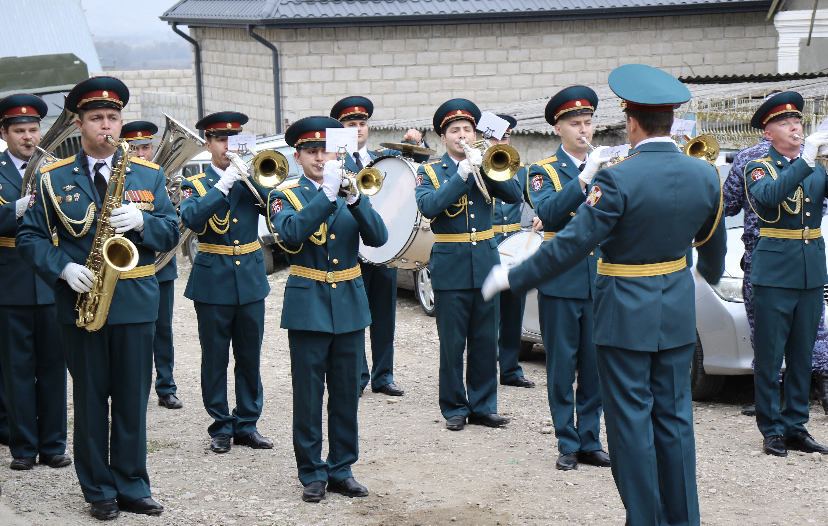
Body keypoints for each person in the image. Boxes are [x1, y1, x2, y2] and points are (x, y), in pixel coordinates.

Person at [482, 64, 727, 526]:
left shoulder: (617, 179)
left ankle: (645, 519)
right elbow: (712, 251)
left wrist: (515, 278)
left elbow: (571, 245)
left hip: (623, 314)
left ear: (631, 121)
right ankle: (684, 519)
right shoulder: (704, 175)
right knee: (675, 421)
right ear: (671, 121)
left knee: (631, 423)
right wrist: (704, 277)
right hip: (675, 310)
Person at [17, 76, 178, 520]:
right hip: (80, 302)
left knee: (131, 398)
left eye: (112, 117)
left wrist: (144, 222)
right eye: (96, 118)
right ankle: (98, 490)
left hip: (134, 302)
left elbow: (171, 232)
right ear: (79, 124)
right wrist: (62, 268)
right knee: (89, 400)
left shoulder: (148, 175)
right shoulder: (51, 178)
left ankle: (132, 484)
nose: (106, 125)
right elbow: (30, 238)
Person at [269, 116, 388, 502]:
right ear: (298, 156)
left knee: (345, 392)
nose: (321, 157)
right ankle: (311, 472)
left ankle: (341, 468)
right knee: (308, 393)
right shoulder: (284, 194)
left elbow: (379, 237)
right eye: (312, 151)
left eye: (327, 150)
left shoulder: (352, 186)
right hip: (309, 303)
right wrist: (327, 196)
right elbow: (289, 235)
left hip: (350, 302)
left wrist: (354, 199)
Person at [415, 99, 522, 431]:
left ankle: (483, 405)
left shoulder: (485, 163)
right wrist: (461, 175)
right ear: (443, 137)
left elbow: (514, 195)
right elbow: (429, 207)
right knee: (452, 342)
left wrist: (487, 164)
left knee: (485, 339)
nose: (462, 135)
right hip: (451, 265)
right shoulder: (430, 171)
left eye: (467, 130)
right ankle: (454, 407)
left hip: (486, 262)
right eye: (454, 131)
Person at [525, 88, 609, 471]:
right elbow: (550, 214)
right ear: (558, 128)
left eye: (588, 123)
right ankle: (566, 440)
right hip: (560, 279)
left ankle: (590, 439)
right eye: (575, 124)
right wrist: (582, 180)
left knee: (594, 365)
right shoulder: (542, 171)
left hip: (598, 278)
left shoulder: (609, 166)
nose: (584, 130)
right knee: (561, 365)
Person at [179, 112, 273, 454]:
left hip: (249, 277)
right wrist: (223, 184)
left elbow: (273, 207)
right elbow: (190, 217)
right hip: (213, 279)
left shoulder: (250, 179)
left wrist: (250, 179)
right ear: (208, 144)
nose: (227, 146)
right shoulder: (196, 184)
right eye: (220, 140)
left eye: (233, 141)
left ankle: (247, 423)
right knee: (215, 356)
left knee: (249, 356)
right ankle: (220, 425)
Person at [743, 91, 828, 457]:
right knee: (770, 354)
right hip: (775, 272)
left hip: (810, 272)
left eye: (797, 121)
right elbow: (771, 198)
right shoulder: (759, 167)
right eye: (784, 122)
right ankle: (771, 428)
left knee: (801, 354)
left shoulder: (817, 168)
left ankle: (796, 426)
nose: (795, 126)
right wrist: (807, 157)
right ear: (768, 133)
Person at [330, 95, 425, 398]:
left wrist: (413, 149)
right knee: (355, 315)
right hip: (349, 248)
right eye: (350, 124)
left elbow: (401, 182)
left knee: (385, 314)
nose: (357, 128)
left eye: (362, 123)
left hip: (382, 247)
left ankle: (383, 376)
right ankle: (357, 375)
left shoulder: (380, 160)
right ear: (339, 129)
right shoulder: (332, 162)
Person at [0, 94, 70, 471]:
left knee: (53, 367)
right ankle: (24, 447)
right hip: (9, 280)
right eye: (20, 131)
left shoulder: (55, 169)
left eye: (33, 129)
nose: (28, 137)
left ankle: (54, 445)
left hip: (50, 278)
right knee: (17, 369)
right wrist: (15, 209)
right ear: (4, 133)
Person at [122, 121, 182, 410]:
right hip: (126, 267)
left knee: (163, 328)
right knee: (134, 332)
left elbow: (171, 225)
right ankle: (135, 386)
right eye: (134, 148)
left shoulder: (158, 177)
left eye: (146, 147)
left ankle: (166, 386)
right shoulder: (117, 177)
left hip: (160, 266)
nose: (141, 153)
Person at [489, 114, 534, 390]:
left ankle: (510, 369)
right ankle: (483, 367)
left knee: (513, 311)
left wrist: (541, 216)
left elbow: (537, 201)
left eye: (505, 137)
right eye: (495, 136)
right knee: (488, 312)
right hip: (488, 244)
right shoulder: (479, 167)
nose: (500, 141)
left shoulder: (522, 171)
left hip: (515, 245)